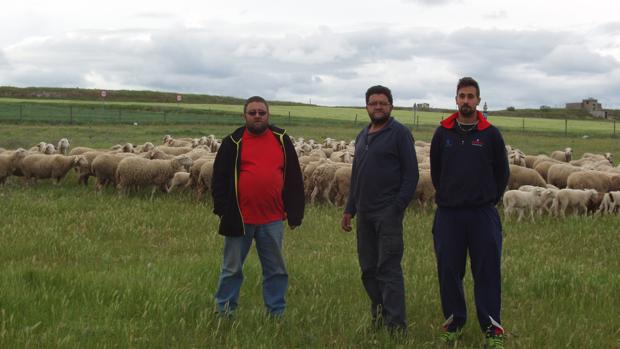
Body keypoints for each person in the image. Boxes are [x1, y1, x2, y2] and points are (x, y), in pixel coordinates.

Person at [429, 77, 509, 348]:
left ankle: (492, 329)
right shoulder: (443, 134)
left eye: (471, 96)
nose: (466, 101)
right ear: (456, 99)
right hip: (449, 215)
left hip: (482, 215)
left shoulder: (491, 134)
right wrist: (451, 196)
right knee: (449, 270)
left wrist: (487, 199)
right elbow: (437, 171)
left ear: (478, 100)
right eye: (462, 96)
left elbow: (502, 173)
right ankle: (454, 323)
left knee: (487, 271)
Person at [211, 95, 305, 317]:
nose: (257, 116)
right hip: (239, 218)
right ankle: (224, 312)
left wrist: (294, 213)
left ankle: (276, 313)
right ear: (245, 115)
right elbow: (219, 178)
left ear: (268, 115)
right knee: (231, 269)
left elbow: (293, 177)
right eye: (252, 112)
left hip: (272, 219)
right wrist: (223, 210)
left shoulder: (281, 139)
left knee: (276, 270)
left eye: (261, 112)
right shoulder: (233, 141)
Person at [341, 85, 419, 335]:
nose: (378, 107)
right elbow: (357, 174)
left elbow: (411, 175)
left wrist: (396, 208)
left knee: (388, 269)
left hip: (387, 214)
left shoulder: (400, 134)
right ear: (366, 106)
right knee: (368, 269)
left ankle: (396, 328)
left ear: (391, 106)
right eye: (373, 103)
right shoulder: (362, 135)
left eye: (382, 103)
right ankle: (379, 315)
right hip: (364, 214)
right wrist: (349, 208)